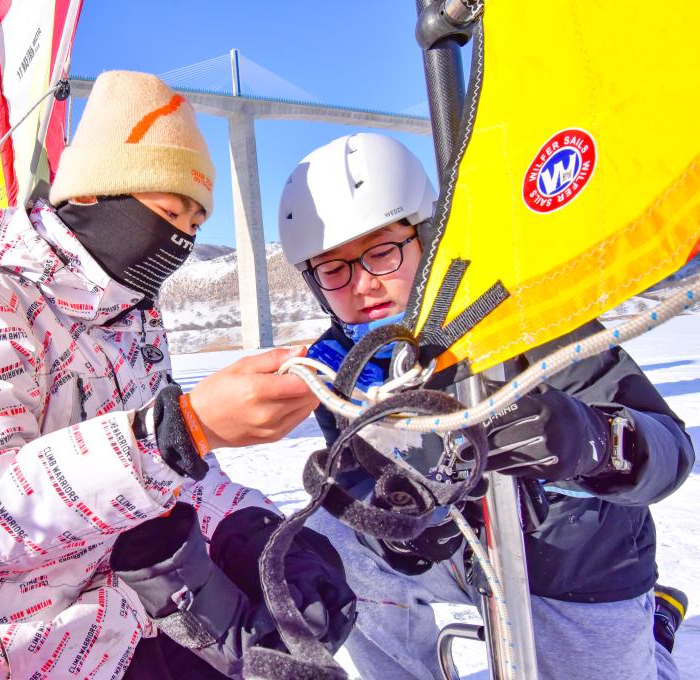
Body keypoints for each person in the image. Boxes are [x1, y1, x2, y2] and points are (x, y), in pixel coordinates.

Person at [0, 71, 356, 680]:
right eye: (169, 211)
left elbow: (173, 477)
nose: (180, 238)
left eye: (195, 223)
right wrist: (180, 431)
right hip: (2, 651)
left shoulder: (130, 320)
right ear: (92, 197)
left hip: (118, 625)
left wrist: (257, 533)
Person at [277, 132, 694, 679]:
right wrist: (395, 527)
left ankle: (651, 629)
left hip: (575, 563)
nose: (363, 285)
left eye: (381, 252)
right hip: (454, 553)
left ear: (426, 236)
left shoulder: (524, 321)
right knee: (326, 540)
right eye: (334, 269)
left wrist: (593, 439)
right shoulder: (340, 368)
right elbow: (353, 476)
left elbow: (672, 451)